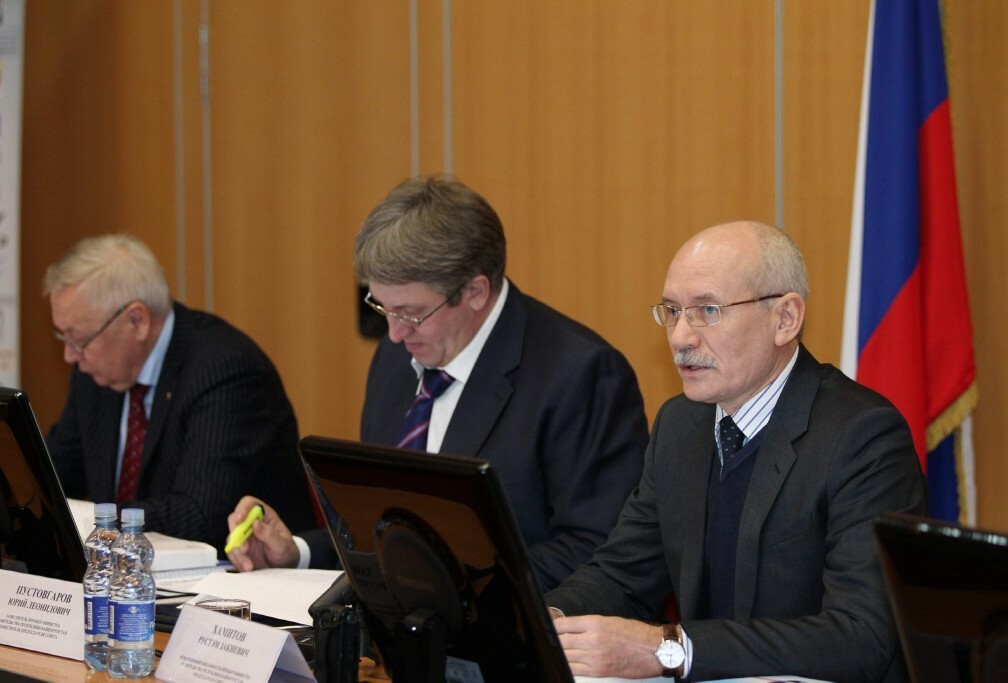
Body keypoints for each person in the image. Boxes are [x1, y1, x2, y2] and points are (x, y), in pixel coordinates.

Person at [545, 221, 926, 682]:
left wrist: (671, 649)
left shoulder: (862, 435)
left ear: (785, 319)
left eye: (707, 310)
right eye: (672, 310)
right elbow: (622, 573)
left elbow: (860, 635)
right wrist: (547, 622)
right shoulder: (680, 425)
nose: (680, 337)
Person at [227, 176, 649, 591]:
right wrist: (297, 551)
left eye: (410, 313)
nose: (394, 333)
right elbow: (381, 530)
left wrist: (437, 585)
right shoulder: (396, 359)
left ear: (476, 291)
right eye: (382, 307)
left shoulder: (581, 375)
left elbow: (595, 551)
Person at [45, 234, 315, 550]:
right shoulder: (96, 374)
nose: (70, 356)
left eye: (78, 339)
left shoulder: (224, 369)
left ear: (137, 321)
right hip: (129, 569)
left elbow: (198, 515)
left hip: (237, 572)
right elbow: (54, 476)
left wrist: (91, 520)